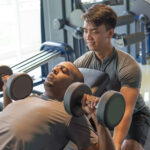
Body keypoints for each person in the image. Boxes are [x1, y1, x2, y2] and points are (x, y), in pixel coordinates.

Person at [74, 4, 150, 150]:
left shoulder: (127, 65)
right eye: (85, 31)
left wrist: (114, 145)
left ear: (109, 34)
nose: (87, 37)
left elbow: (126, 111)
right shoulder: (82, 62)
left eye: (94, 32)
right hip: (99, 111)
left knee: (128, 147)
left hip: (135, 115)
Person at [0, 61, 99, 150]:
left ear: (73, 87)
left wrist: (98, 120)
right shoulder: (30, 98)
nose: (54, 69)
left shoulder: (70, 113)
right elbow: (9, 120)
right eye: (55, 67)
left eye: (63, 71)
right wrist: (6, 90)